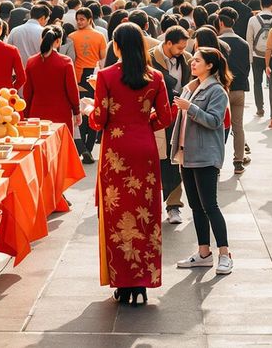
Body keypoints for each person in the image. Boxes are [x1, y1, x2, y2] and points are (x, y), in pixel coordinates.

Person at [89, 23, 174, 306]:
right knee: (145, 214)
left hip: (116, 151)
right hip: (145, 149)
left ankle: (122, 282)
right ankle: (142, 282)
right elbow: (165, 117)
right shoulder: (156, 77)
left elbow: (98, 120)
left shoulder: (106, 75)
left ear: (116, 46)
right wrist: (143, 123)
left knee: (117, 215)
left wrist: (91, 108)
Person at [171, 47, 234, 275]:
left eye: (197, 60)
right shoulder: (191, 87)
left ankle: (225, 254)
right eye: (193, 60)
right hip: (187, 154)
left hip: (206, 155)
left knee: (210, 206)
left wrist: (192, 108)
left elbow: (216, 121)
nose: (193, 63)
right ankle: (204, 252)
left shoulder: (216, 90)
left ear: (210, 65)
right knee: (196, 206)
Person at [151, 27, 190, 223]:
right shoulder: (150, 59)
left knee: (175, 161)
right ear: (168, 43)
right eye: (179, 47)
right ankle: (150, 205)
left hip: (178, 118)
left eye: (184, 47)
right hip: (154, 119)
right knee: (155, 161)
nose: (182, 51)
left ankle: (174, 206)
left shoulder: (188, 60)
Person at [65, 7, 108, 163]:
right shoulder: (100, 36)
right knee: (92, 111)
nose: (79, 22)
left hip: (81, 76)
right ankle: (87, 149)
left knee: (81, 111)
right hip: (93, 76)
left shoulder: (72, 36)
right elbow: (103, 59)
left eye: (82, 19)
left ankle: (84, 148)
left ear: (90, 19)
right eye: (78, 19)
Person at [23, 26, 81, 126]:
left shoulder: (31, 62)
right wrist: (77, 111)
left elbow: (27, 92)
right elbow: (72, 90)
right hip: (61, 113)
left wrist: (26, 113)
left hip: (36, 112)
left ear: (42, 39)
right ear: (58, 41)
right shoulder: (65, 61)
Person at [218, 8, 252, 176]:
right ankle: (238, 161)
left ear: (221, 23)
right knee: (238, 126)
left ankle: (216, 163)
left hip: (220, 90)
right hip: (239, 88)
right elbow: (247, 67)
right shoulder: (243, 43)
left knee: (217, 126)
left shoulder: (216, 43)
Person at [246, 0, 272, 122]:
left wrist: (250, 57)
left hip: (256, 55)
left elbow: (249, 39)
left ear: (261, 5)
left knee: (257, 82)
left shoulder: (253, 20)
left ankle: (260, 108)